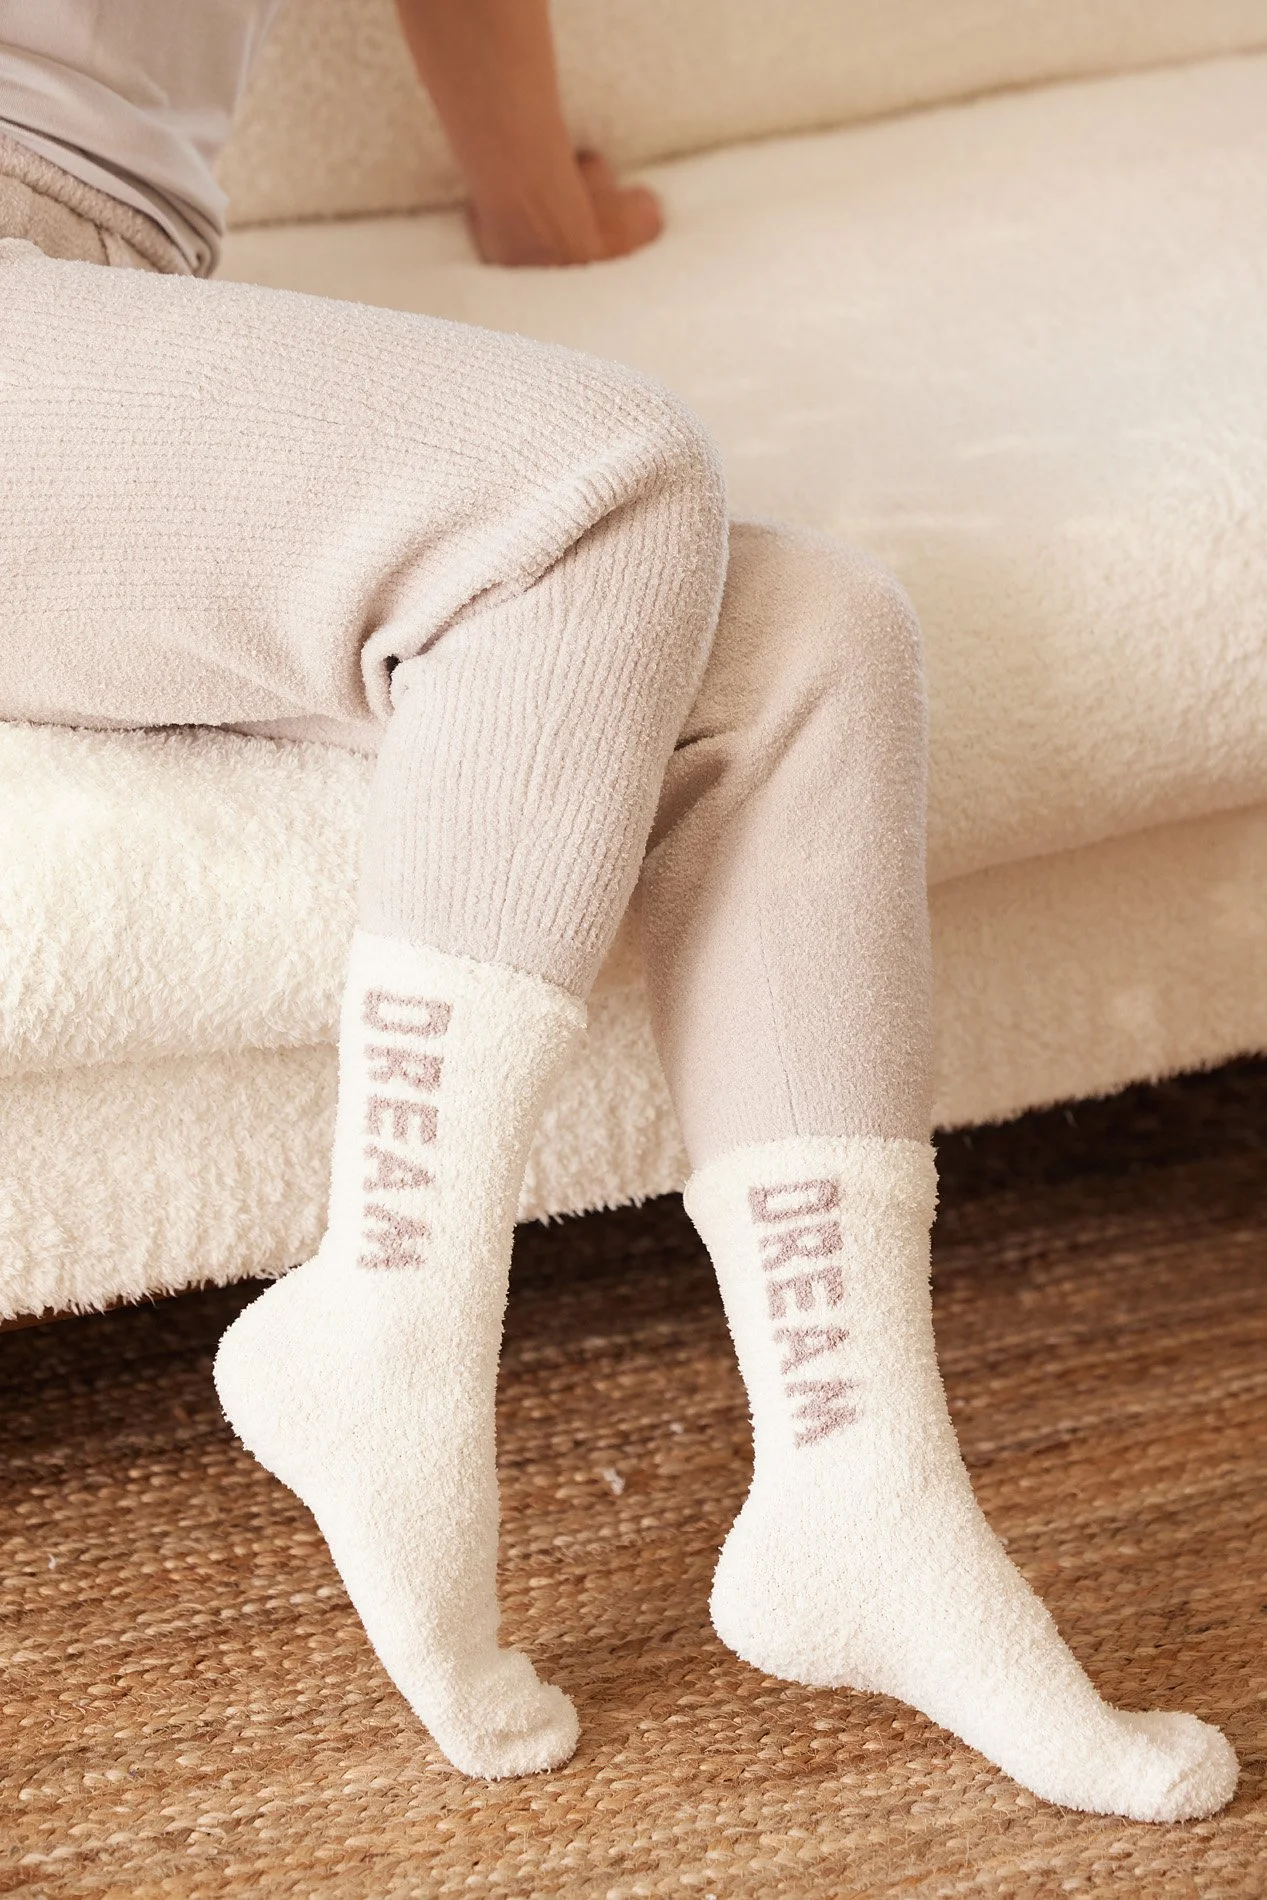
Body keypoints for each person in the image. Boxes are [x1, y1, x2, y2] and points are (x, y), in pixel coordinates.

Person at [0, 0, 1237, 1821]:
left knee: (811, 651)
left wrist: (535, 201)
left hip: (107, 310)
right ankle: (385, 1318)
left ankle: (858, 1496)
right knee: (594, 483)